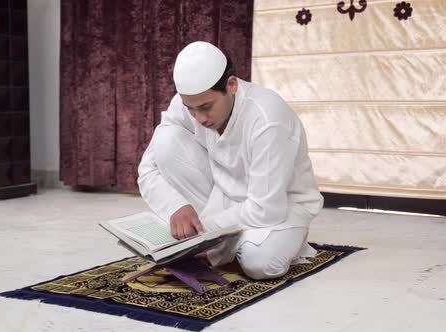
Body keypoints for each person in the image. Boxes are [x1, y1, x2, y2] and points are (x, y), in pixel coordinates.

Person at [137, 41, 324, 280]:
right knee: (166, 139)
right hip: (222, 197)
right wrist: (177, 207)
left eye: (206, 107)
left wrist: (202, 230)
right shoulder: (189, 104)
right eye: (191, 109)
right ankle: (220, 244)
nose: (199, 118)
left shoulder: (268, 118)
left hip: (280, 207)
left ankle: (227, 244)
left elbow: (265, 210)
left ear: (232, 85)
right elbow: (148, 169)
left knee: (260, 262)